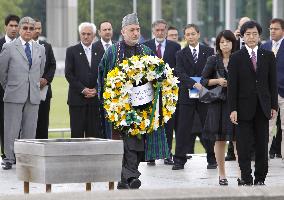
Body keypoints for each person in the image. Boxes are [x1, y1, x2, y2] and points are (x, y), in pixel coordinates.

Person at [98, 13, 169, 189]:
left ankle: (126, 179)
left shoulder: (146, 52)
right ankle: (131, 176)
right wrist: (109, 103)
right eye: (132, 30)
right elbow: (103, 77)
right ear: (123, 32)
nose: (136, 33)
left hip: (141, 109)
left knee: (138, 144)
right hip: (119, 109)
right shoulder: (112, 52)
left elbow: (158, 75)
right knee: (126, 143)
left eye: (138, 29)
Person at [228, 20, 278, 185]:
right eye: (248, 34)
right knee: (243, 146)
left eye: (254, 34)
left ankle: (260, 178)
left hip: (263, 107)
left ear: (259, 36)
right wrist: (232, 109)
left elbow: (272, 83)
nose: (251, 37)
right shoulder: (236, 57)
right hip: (243, 109)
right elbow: (232, 86)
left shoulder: (268, 55)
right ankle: (246, 177)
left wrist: (273, 106)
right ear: (242, 36)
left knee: (263, 145)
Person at [0, 16, 46, 170]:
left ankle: (26, 158)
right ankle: (9, 157)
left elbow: (40, 70)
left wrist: (32, 86)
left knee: (30, 128)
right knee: (11, 128)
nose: (28, 31)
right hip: (14, 93)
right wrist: (10, 87)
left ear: (34, 30)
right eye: (25, 28)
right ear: (20, 29)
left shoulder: (41, 49)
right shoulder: (9, 47)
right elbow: (2, 72)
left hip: (33, 95)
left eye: (31, 28)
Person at [173, 24, 216, 170]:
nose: (190, 37)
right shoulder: (180, 53)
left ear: (198, 34)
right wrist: (194, 84)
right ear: (184, 37)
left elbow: (212, 71)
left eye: (193, 34)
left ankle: (212, 158)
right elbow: (180, 73)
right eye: (187, 34)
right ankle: (179, 159)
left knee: (208, 126)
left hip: (204, 93)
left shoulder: (209, 51)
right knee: (183, 127)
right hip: (186, 95)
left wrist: (203, 84)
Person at [201, 30, 239, 185]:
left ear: (233, 43)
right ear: (218, 44)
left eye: (228, 41)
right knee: (220, 139)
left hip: (236, 104)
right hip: (218, 104)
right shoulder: (212, 59)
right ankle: (222, 174)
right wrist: (217, 81)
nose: (225, 44)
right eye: (222, 42)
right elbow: (203, 80)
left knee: (238, 139)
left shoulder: (239, 58)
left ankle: (242, 173)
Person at [144, 19, 181, 165]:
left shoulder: (175, 47)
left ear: (166, 31)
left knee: (168, 124)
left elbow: (178, 68)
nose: (160, 33)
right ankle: (151, 155)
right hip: (149, 92)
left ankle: (167, 154)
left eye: (162, 30)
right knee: (151, 122)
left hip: (168, 93)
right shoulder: (145, 46)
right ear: (153, 31)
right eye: (157, 30)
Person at [65, 22, 103, 139]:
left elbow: (104, 74)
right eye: (83, 34)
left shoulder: (101, 51)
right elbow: (69, 74)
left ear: (94, 35)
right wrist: (83, 89)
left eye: (89, 34)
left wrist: (96, 90)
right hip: (77, 101)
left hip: (94, 102)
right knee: (77, 134)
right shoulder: (71, 51)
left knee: (94, 135)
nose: (86, 36)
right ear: (79, 34)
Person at [226, 16, 251, 162]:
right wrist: (233, 41)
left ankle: (250, 152)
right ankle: (231, 152)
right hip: (235, 88)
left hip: (249, 89)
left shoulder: (256, 44)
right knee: (233, 122)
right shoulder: (232, 43)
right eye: (242, 27)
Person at [261, 18, 284, 160]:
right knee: (266, 128)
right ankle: (263, 158)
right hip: (268, 95)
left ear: (283, 30)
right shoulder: (264, 47)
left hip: (283, 92)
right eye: (270, 29)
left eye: (275, 28)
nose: (272, 31)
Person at [0, 14, 20, 160]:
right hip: (2, 92)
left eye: (16, 26)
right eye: (11, 26)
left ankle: (16, 154)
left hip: (19, 92)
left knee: (18, 124)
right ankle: (6, 155)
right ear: (5, 26)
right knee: (4, 123)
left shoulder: (23, 45)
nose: (13, 28)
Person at [33, 19, 56, 139]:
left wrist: (46, 80)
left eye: (39, 28)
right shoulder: (21, 46)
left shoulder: (47, 46)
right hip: (27, 91)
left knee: (43, 123)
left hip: (44, 92)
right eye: (35, 28)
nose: (37, 31)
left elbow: (52, 65)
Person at [93, 21, 114, 139]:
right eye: (104, 30)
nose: (107, 32)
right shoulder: (93, 47)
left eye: (109, 29)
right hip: (98, 95)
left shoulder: (118, 46)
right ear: (99, 32)